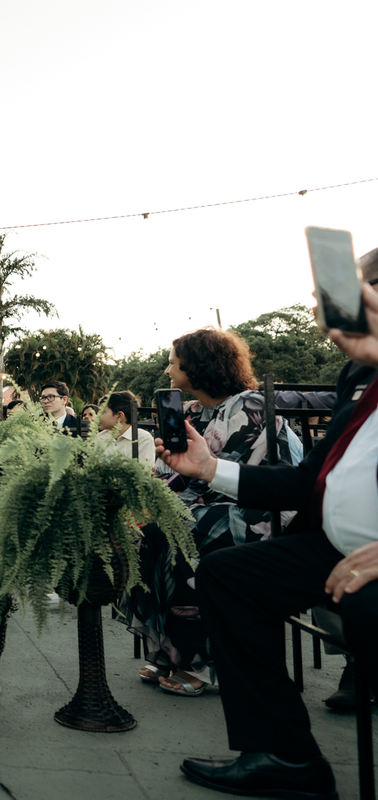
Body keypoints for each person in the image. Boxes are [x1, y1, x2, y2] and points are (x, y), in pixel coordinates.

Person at [160, 256, 378, 799]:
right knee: (226, 576)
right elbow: (306, 478)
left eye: (345, 292)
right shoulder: (360, 375)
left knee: (366, 607)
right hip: (331, 545)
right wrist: (209, 470)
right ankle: (284, 754)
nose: (321, 306)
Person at [124, 328, 303, 697]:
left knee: (183, 531)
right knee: (146, 530)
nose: (166, 370)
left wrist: (175, 492)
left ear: (196, 365)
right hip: (205, 503)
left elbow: (224, 477)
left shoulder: (249, 406)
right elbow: (175, 475)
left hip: (258, 509)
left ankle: (201, 662)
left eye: (173, 363)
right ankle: (169, 647)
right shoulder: (190, 411)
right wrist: (160, 472)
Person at [94, 390, 155, 467]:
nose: (97, 416)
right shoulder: (100, 437)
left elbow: (144, 472)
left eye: (102, 412)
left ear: (119, 416)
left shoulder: (142, 438)